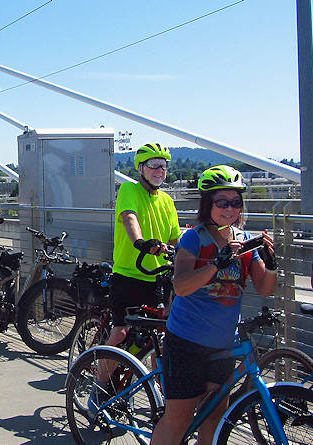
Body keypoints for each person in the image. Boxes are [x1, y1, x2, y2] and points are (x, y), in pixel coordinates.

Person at [150, 165, 277, 445]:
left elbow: (265, 288)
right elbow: (181, 286)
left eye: (235, 202)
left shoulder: (243, 242)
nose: (229, 209)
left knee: (215, 415)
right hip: (186, 341)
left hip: (223, 344)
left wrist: (270, 263)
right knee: (179, 418)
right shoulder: (193, 238)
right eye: (222, 202)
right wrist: (216, 264)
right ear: (208, 204)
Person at [89, 143, 181, 416]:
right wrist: (140, 242)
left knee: (161, 340)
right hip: (130, 275)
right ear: (141, 168)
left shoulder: (167, 201)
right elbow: (129, 218)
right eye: (154, 165)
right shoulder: (129, 190)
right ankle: (99, 388)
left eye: (163, 166)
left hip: (160, 278)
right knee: (122, 332)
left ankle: (158, 396)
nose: (160, 171)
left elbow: (176, 237)